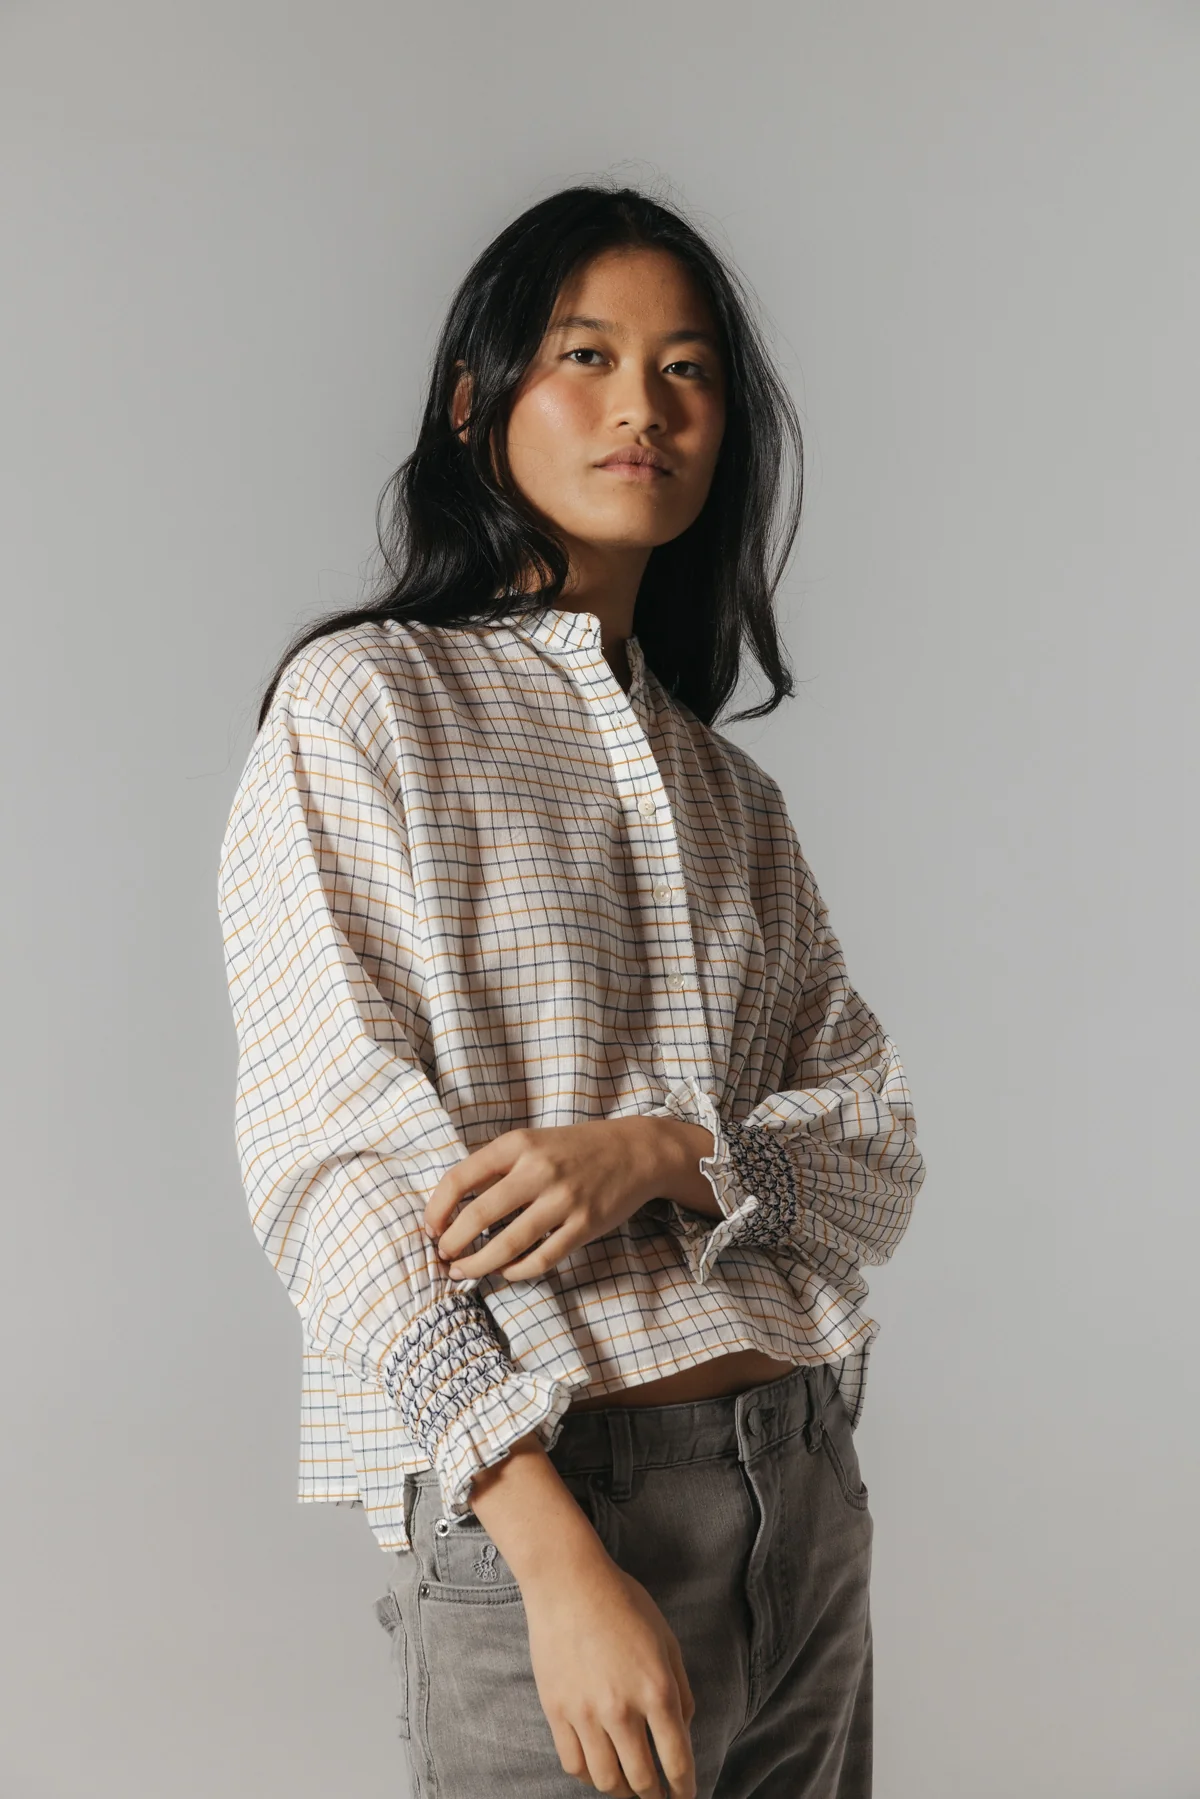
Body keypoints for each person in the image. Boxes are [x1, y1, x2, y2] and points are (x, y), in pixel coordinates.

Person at [217, 182, 926, 1799]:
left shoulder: (733, 796)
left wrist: (663, 1152)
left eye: (687, 371)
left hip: (806, 1496)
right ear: (476, 403)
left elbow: (878, 1154)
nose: (642, 408)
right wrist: (544, 1550)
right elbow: (332, 1167)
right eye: (586, 355)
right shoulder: (363, 706)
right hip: (565, 1503)